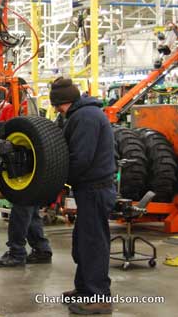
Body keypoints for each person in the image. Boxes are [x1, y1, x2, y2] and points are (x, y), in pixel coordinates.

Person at [49, 77, 116, 315]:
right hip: (89, 188)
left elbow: (81, 158)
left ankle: (99, 297)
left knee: (93, 243)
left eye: (58, 105)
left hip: (95, 188)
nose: (57, 110)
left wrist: (57, 181)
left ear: (65, 101)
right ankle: (85, 289)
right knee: (83, 242)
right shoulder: (81, 114)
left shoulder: (85, 117)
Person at [0, 78, 53, 268]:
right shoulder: (33, 107)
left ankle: (16, 252)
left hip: (21, 168)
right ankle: (42, 249)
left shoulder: (14, 109)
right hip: (37, 168)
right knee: (31, 209)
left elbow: (1, 136)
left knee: (21, 210)